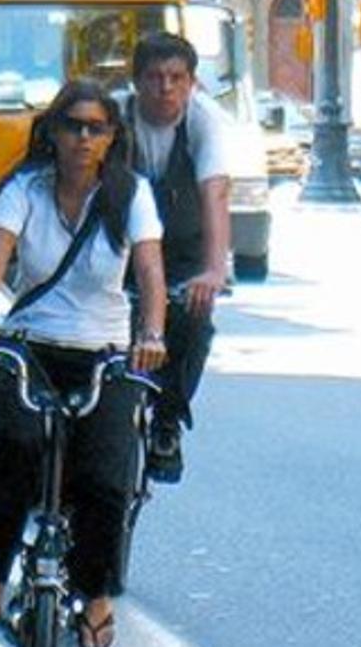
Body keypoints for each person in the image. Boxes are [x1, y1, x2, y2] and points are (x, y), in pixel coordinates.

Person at [0, 78, 168, 647]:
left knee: (103, 475)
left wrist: (152, 335)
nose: (84, 139)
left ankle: (96, 595)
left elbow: (149, 273)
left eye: (97, 128)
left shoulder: (130, 195)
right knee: (16, 447)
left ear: (112, 137)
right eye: (73, 126)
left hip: (107, 354)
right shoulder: (25, 188)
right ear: (53, 131)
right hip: (30, 345)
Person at [118, 33, 231, 484]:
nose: (166, 88)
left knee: (195, 320)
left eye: (176, 78)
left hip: (182, 249)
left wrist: (214, 269)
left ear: (192, 84)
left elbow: (216, 192)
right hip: (121, 249)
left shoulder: (205, 121)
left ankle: (167, 422)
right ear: (136, 82)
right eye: (155, 77)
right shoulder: (113, 116)